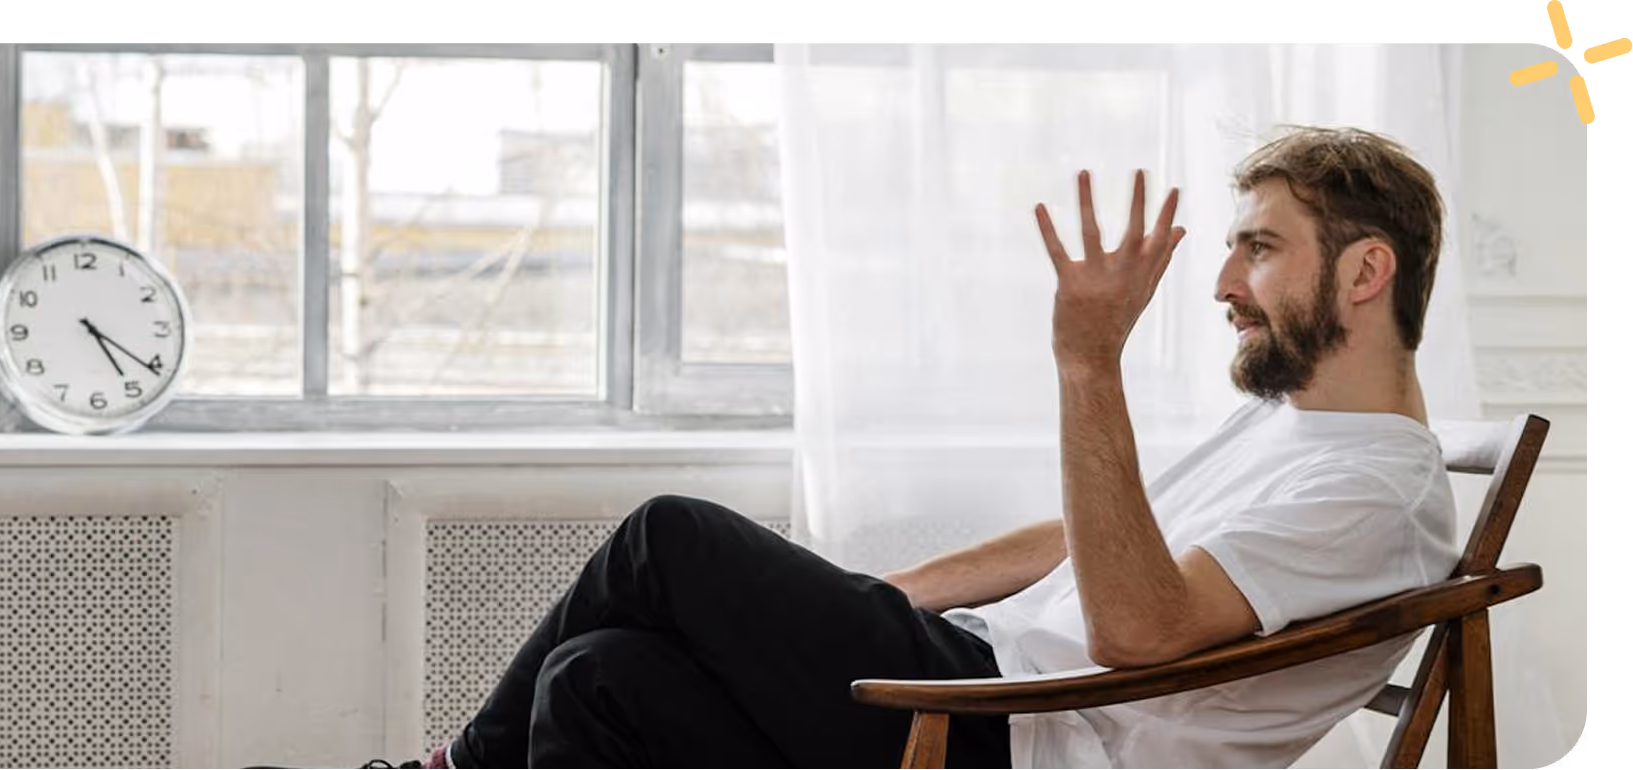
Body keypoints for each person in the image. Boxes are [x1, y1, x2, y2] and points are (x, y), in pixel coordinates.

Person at [389, 126, 1459, 768]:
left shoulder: (1377, 489)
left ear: (1366, 272)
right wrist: (857, 602)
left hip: (1018, 732)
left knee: (669, 536)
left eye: (1259, 249)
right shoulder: (1293, 427)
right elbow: (1090, 541)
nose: (1224, 284)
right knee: (594, 677)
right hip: (981, 681)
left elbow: (1138, 627)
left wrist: (1087, 362)